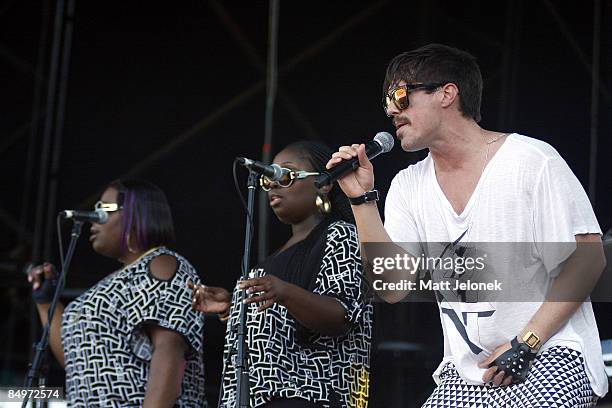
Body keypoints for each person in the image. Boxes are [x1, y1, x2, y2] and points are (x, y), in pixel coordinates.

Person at [327, 43, 608, 407]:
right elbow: (393, 288)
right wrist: (361, 200)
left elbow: (588, 260)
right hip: (465, 373)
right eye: (386, 102)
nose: (390, 111)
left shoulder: (529, 160)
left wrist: (527, 341)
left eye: (399, 96)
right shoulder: (408, 186)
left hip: (549, 351)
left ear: (447, 93)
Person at [189, 141, 373, 408]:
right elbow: (276, 330)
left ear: (323, 183)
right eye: (268, 179)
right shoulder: (269, 262)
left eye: (284, 175)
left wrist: (284, 292)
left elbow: (340, 316)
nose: (273, 184)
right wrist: (232, 308)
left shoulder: (341, 235)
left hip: (311, 398)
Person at [28, 179, 206, 407]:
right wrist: (46, 302)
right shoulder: (112, 283)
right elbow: (78, 361)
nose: (94, 218)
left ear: (135, 214)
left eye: (104, 209)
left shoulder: (163, 264)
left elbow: (169, 351)